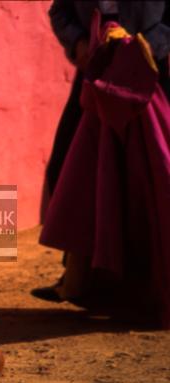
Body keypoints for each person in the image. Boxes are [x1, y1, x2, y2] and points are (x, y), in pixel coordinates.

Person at [32, 0, 170, 303]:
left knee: (155, 173)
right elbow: (61, 11)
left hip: (150, 73)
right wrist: (79, 41)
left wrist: (149, 46)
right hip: (99, 71)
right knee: (71, 169)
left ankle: (146, 282)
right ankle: (81, 276)